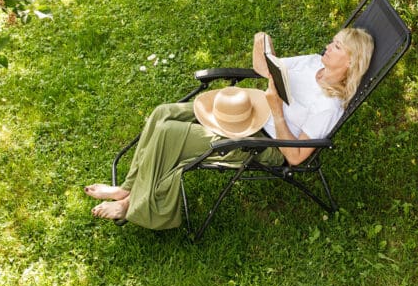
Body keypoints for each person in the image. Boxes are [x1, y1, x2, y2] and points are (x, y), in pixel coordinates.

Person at [84, 27, 375, 230]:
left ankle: (133, 204)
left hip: (266, 143)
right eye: (333, 41)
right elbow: (265, 68)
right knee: (163, 113)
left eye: (337, 46)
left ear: (351, 62)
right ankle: (127, 188)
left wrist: (276, 110)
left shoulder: (328, 105)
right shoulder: (313, 63)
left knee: (170, 133)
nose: (328, 46)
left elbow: (296, 158)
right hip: (250, 112)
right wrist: (261, 44)